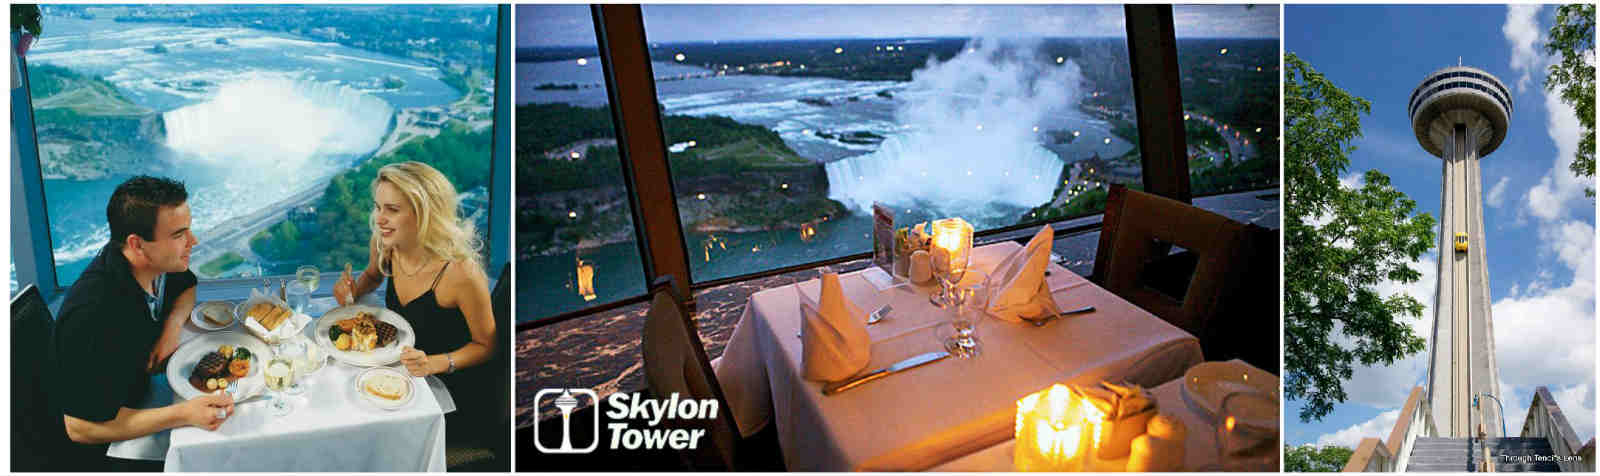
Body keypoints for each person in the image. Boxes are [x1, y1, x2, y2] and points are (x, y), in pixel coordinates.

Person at [52, 176, 235, 471]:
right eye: (179, 235)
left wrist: (171, 327)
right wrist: (183, 414)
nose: (193, 241)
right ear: (137, 245)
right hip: (109, 447)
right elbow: (79, 428)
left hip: (145, 391)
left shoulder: (157, 264)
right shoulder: (91, 315)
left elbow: (187, 287)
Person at [333, 161, 498, 444]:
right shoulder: (385, 243)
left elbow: (487, 346)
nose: (380, 219)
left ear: (425, 214)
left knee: (365, 436)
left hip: (449, 392)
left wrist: (435, 363)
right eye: (378, 207)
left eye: (392, 209)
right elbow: (373, 275)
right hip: (399, 372)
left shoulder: (461, 273)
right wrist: (352, 292)